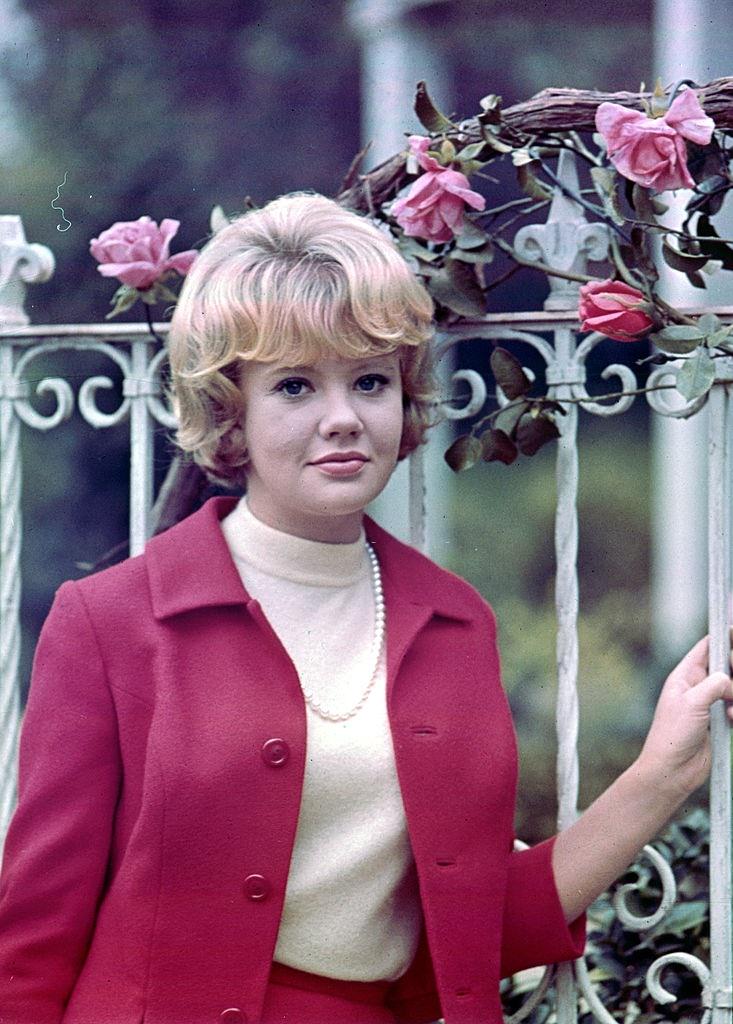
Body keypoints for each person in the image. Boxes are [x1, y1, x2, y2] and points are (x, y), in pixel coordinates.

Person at [0, 193, 730, 1024]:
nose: (342, 418)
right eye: (296, 386)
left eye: (370, 380)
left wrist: (660, 774)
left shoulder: (455, 625)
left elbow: (473, 929)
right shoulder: (109, 622)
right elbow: (32, 944)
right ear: (230, 411)